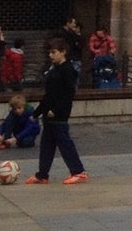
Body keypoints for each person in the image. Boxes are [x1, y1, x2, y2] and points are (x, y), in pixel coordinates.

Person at [25, 36, 86, 185]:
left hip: (59, 115)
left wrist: (56, 110)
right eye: (49, 52)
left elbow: (68, 94)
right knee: (47, 145)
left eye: (54, 52)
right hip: (48, 114)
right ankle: (42, 174)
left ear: (63, 52)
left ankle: (78, 171)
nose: (50, 55)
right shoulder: (54, 70)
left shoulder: (67, 70)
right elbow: (48, 95)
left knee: (64, 143)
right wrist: (37, 113)